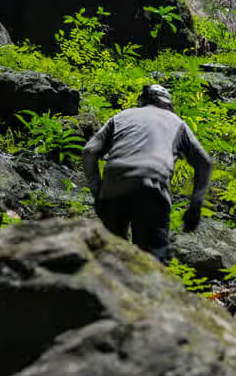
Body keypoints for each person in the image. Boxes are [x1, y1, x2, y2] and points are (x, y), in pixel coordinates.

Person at [81, 84, 211, 261]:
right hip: (151, 187)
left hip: (113, 188)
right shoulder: (176, 122)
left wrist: (98, 192)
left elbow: (89, 152)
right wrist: (195, 206)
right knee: (152, 261)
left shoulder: (121, 116)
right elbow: (204, 162)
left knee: (110, 258)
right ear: (168, 104)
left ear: (142, 101)